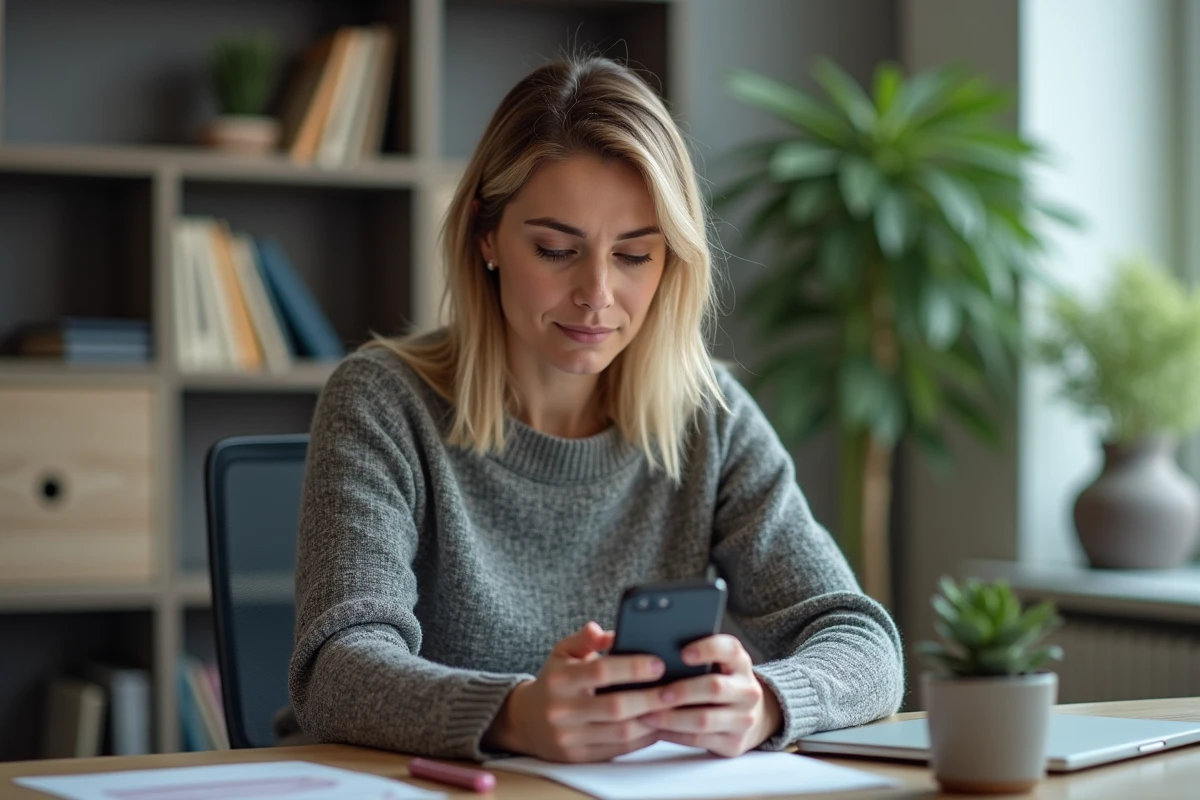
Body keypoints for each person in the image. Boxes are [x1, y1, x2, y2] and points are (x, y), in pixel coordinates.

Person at [289, 54, 904, 764]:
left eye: (635, 256)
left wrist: (765, 700)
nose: (598, 294)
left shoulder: (710, 418)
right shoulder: (382, 400)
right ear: (486, 237)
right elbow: (333, 668)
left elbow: (863, 642)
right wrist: (514, 717)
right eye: (556, 249)